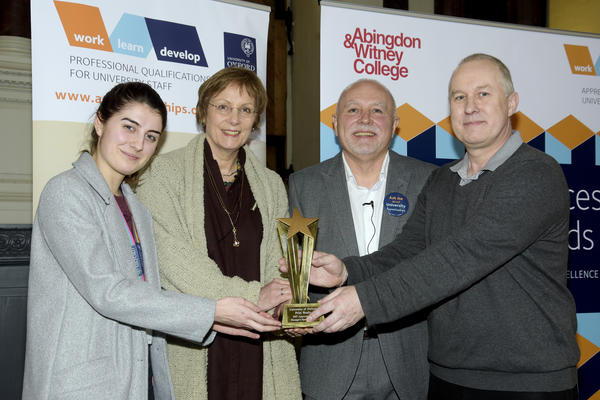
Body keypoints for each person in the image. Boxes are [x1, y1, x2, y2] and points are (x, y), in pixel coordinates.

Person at [288, 54, 580, 398]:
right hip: (448, 378)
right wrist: (346, 272)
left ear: (511, 103)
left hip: (525, 384)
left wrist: (364, 299)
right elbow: (406, 252)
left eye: (483, 94)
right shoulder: (442, 181)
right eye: (459, 97)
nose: (470, 107)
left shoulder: (535, 174)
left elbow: (460, 258)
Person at [22, 82, 282, 400]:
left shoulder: (135, 206)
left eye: (150, 137)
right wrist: (211, 312)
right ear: (100, 122)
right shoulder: (66, 193)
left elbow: (149, 296)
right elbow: (108, 291)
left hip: (136, 380)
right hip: (80, 382)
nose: (137, 144)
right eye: (129, 127)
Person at [137, 67, 300, 400]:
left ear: (256, 121)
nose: (234, 119)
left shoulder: (270, 185)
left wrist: (286, 305)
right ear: (202, 112)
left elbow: (278, 263)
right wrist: (259, 296)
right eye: (223, 106)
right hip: (200, 337)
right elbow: (176, 265)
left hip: (261, 341)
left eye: (246, 110)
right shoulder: (160, 175)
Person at [287, 79, 435, 400]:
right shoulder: (302, 185)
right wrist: (290, 308)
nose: (365, 119)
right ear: (335, 123)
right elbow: (292, 270)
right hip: (330, 368)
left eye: (377, 110)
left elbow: (436, 270)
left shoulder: (431, 182)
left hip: (408, 368)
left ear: (395, 125)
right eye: (353, 110)